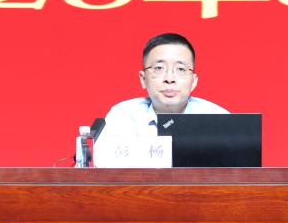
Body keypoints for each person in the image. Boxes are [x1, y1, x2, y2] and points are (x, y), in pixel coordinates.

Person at [97, 33, 228, 143]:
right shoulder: (122, 116)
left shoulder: (219, 120)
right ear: (143, 79)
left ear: (193, 81)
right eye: (159, 68)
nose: (169, 79)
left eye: (180, 69)